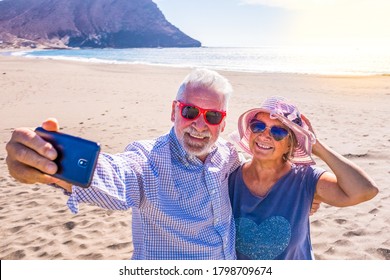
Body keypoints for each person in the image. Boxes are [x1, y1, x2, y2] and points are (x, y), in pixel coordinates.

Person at [5, 68, 242, 260]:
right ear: (174, 111)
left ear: (222, 124)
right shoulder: (149, 160)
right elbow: (118, 173)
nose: (200, 125)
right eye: (190, 111)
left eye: (212, 116)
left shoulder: (227, 156)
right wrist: (54, 165)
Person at [228, 96, 378, 260]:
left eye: (278, 132)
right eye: (258, 126)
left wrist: (316, 145)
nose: (264, 135)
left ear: (289, 145)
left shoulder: (305, 179)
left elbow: (365, 190)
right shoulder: (229, 177)